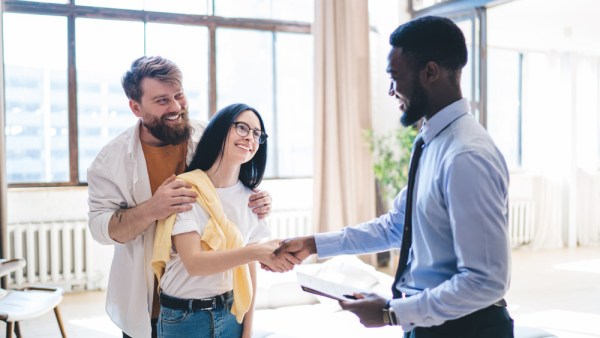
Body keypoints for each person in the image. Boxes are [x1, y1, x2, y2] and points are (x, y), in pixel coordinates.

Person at [274, 16, 513, 338]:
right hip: (429, 323)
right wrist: (314, 244)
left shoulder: (466, 155)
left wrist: (391, 313)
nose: (391, 90)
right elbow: (398, 225)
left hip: (467, 329)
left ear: (429, 72)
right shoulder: (432, 141)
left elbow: (486, 281)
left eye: (395, 76)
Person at [87, 56, 273, 338]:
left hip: (218, 301)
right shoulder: (109, 162)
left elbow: (234, 182)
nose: (175, 107)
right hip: (149, 303)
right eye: (162, 101)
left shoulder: (208, 136)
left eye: (179, 95)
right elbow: (101, 229)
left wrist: (260, 197)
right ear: (136, 107)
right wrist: (152, 209)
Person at [152, 103, 298, 338]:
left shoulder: (252, 199)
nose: (250, 137)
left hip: (231, 314)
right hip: (185, 319)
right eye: (242, 128)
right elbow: (194, 263)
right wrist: (257, 252)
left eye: (256, 133)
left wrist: (247, 331)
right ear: (220, 131)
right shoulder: (186, 189)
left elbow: (249, 273)